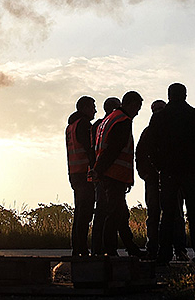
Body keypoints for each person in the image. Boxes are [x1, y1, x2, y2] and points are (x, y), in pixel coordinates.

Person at [151, 82, 195, 264]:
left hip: (168, 172)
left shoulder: (160, 118)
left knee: (168, 214)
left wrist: (159, 166)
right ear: (185, 95)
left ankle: (164, 255)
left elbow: (150, 145)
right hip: (191, 171)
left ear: (169, 95)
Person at [91, 91, 144, 256]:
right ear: (131, 104)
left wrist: (98, 170)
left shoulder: (107, 121)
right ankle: (111, 250)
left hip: (108, 174)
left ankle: (129, 248)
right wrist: (99, 170)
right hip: (115, 175)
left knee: (118, 213)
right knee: (114, 214)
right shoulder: (123, 121)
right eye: (137, 108)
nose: (137, 112)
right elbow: (115, 149)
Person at [65, 95, 97, 256]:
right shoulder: (84, 125)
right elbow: (89, 149)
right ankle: (82, 248)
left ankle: (77, 247)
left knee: (79, 211)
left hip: (74, 173)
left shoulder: (70, 126)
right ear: (84, 108)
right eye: (92, 107)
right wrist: (96, 168)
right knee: (85, 212)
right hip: (85, 174)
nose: (95, 111)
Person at [135, 99, 166, 258]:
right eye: (155, 109)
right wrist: (144, 174)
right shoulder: (148, 132)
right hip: (153, 179)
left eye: (160, 108)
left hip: (170, 178)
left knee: (174, 215)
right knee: (153, 214)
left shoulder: (171, 129)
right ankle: (153, 247)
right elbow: (139, 154)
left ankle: (176, 248)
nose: (158, 111)